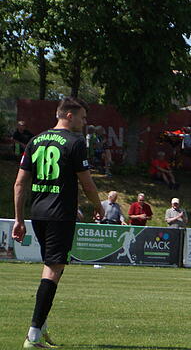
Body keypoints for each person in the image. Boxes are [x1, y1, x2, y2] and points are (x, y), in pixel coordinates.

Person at [12, 97, 104, 348]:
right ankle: (33, 335)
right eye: (83, 117)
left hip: (38, 213)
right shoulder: (75, 142)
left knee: (54, 267)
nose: (85, 122)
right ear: (69, 115)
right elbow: (86, 183)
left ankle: (41, 326)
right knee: (53, 269)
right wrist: (98, 206)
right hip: (59, 215)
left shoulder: (35, 140)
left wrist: (19, 219)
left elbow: (20, 183)